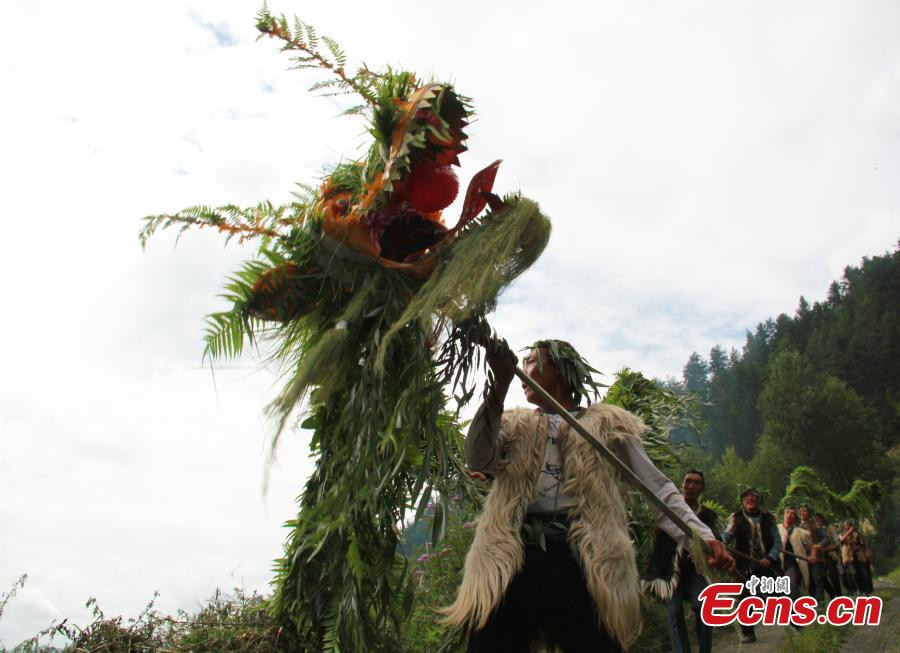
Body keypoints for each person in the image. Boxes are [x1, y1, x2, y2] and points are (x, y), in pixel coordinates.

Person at [441, 338, 735, 652]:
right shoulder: (514, 423)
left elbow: (658, 487)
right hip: (513, 555)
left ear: (560, 367)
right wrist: (498, 387)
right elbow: (477, 458)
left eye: (532, 361)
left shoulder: (607, 425)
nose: (524, 368)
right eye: (523, 363)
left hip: (582, 556)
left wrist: (700, 536)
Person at [644, 469, 721, 653]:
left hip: (696, 572)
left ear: (702, 488)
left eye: (696, 483)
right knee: (674, 611)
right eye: (688, 482)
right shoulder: (666, 510)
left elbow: (717, 543)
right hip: (669, 571)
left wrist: (706, 555)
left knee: (704, 607)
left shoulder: (709, 516)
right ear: (682, 485)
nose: (691, 486)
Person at [722, 488, 782, 644]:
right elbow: (727, 535)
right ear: (743, 501)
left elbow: (777, 541)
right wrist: (719, 544)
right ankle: (748, 632)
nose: (750, 498)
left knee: (778, 595)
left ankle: (796, 624)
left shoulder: (768, 518)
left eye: (754, 496)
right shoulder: (736, 518)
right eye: (747, 496)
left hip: (767, 565)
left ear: (758, 500)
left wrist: (770, 557)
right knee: (744, 599)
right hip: (744, 566)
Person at [778, 507, 812, 598]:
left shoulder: (800, 532)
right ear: (784, 515)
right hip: (776, 563)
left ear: (795, 517)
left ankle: (792, 608)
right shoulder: (776, 529)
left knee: (791, 586)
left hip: (792, 563)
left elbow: (810, 546)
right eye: (787, 512)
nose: (789, 515)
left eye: (792, 513)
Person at [799, 504, 826, 602]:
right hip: (802, 555)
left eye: (805, 511)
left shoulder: (815, 525)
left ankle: (820, 601)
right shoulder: (797, 525)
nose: (802, 513)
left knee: (817, 579)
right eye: (801, 511)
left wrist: (818, 545)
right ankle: (812, 601)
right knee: (808, 580)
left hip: (816, 556)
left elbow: (826, 538)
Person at [814, 513, 843, 599]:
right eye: (815, 519)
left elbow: (837, 543)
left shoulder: (829, 530)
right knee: (821, 577)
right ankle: (831, 593)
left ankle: (838, 595)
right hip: (818, 556)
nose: (816, 521)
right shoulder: (813, 530)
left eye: (818, 519)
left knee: (833, 575)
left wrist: (825, 549)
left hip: (829, 555)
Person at [840, 521, 873, 595]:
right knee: (854, 573)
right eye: (845, 525)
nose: (846, 527)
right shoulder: (843, 534)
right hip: (849, 557)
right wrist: (849, 532)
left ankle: (866, 590)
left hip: (859, 556)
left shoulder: (858, 534)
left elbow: (863, 544)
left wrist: (861, 549)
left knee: (864, 573)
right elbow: (842, 540)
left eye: (848, 525)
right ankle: (858, 588)